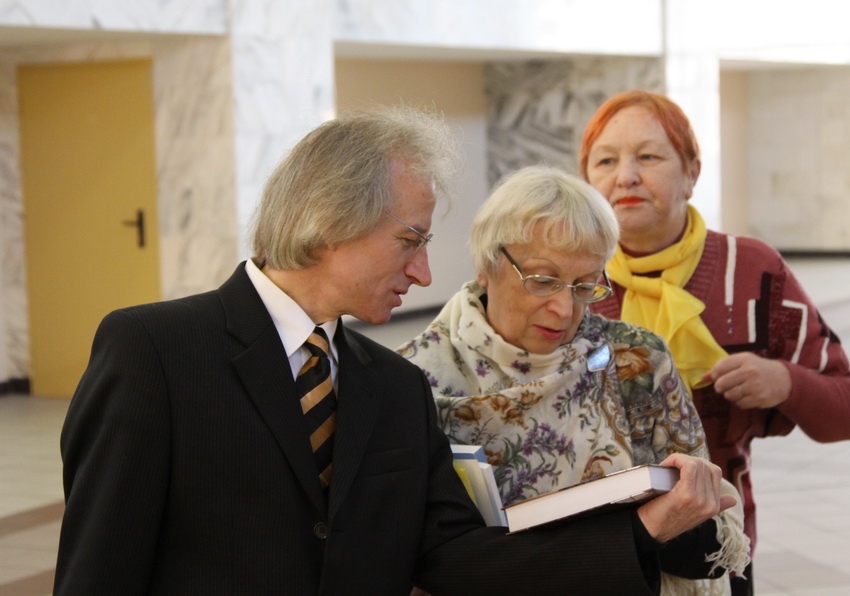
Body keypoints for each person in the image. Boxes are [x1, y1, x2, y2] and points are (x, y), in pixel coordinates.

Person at [54, 106, 734, 596]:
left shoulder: (392, 384)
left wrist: (643, 532)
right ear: (330, 220)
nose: (425, 274)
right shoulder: (156, 352)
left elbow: (455, 557)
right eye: (410, 240)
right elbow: (99, 570)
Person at [398, 165, 750, 595]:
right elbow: (421, 559)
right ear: (486, 264)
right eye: (543, 281)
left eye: (585, 286)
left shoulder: (637, 360)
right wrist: (638, 529)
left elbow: (709, 537)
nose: (564, 310)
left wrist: (688, 500)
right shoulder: (413, 381)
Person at [578, 89, 850, 595]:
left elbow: (844, 408)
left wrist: (787, 381)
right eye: (606, 161)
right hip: (590, 549)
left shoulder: (752, 270)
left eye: (649, 157)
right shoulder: (567, 279)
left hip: (714, 546)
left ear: (692, 173)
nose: (626, 176)